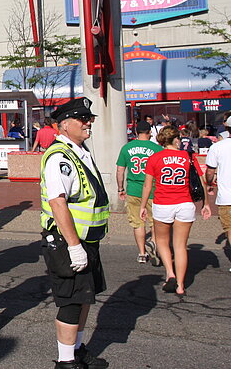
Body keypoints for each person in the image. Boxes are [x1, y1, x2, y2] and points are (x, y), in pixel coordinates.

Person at [39, 97, 109, 369]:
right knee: (71, 301)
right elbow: (58, 203)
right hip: (67, 242)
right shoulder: (60, 157)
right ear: (65, 125)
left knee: (84, 297)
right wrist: (73, 246)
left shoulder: (80, 150)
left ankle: (77, 349)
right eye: (82, 118)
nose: (88, 122)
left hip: (85, 239)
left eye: (89, 118)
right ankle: (65, 361)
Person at [141, 125, 211, 295]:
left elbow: (148, 184)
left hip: (163, 203)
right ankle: (180, 285)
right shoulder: (187, 156)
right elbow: (201, 181)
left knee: (163, 242)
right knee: (180, 246)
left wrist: (143, 205)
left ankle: (170, 273)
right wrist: (206, 203)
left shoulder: (155, 158)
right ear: (176, 139)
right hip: (185, 203)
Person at [115, 120, 163, 265]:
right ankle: (154, 244)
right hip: (153, 190)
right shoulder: (157, 149)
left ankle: (142, 253)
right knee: (154, 221)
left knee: (138, 223)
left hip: (134, 189)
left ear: (136, 132)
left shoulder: (126, 148)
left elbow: (120, 170)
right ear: (150, 133)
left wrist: (120, 188)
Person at [205, 133, 231, 270]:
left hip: (227, 196)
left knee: (230, 229)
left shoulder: (218, 147)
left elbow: (210, 171)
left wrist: (209, 183)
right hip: (226, 196)